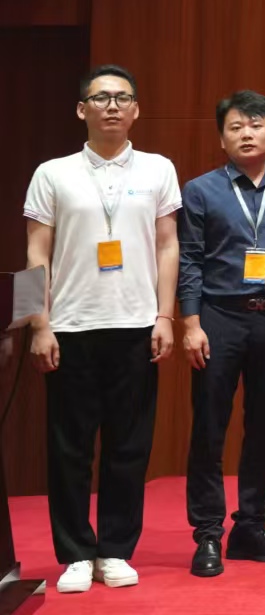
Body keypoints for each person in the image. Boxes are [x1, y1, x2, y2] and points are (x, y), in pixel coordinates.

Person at [24, 65, 179, 594]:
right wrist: (38, 324)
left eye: (122, 97)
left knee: (128, 445)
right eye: (101, 97)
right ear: (81, 109)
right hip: (70, 326)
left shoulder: (158, 168)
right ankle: (74, 553)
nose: (112, 105)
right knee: (69, 447)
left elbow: (168, 246)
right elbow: (35, 252)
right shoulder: (53, 173)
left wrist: (165, 315)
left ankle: (114, 549)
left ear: (136, 110)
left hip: (136, 325)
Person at [179, 90, 265, 576]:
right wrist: (190, 322)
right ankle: (208, 533)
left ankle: (251, 526)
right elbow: (190, 259)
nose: (246, 134)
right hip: (219, 317)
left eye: (255, 125)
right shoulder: (200, 190)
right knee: (209, 427)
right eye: (235, 127)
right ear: (222, 138)